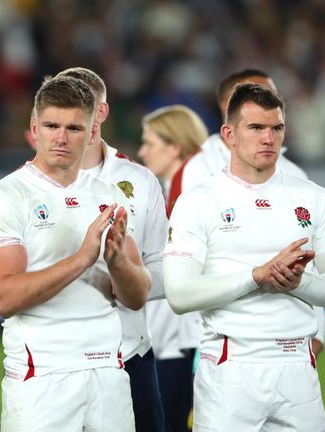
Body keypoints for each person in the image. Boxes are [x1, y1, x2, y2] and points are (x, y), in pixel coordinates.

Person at [164, 83, 325, 431]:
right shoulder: (199, 201)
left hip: (298, 365)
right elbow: (178, 294)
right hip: (231, 365)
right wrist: (255, 276)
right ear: (229, 135)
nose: (268, 138)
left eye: (276, 128)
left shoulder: (313, 197)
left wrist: (298, 281)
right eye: (256, 128)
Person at [0, 75, 150, 431]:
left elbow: (137, 296)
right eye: (51, 125)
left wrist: (117, 263)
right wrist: (82, 259)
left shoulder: (107, 194)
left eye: (74, 127)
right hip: (42, 377)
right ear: (34, 127)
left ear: (91, 132)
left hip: (107, 373)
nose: (61, 137)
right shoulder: (8, 196)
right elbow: (3, 298)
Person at [181, 68, 325, 359]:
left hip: (287, 335)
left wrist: (318, 332)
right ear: (230, 108)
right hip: (220, 334)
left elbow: (311, 259)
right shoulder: (200, 170)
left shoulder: (296, 176)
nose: (269, 101)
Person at [53, 67, 167, 432]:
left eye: (83, 106)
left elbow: (163, 271)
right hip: (60, 357)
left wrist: (121, 278)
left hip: (129, 352)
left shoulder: (140, 181)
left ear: (100, 112)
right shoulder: (30, 187)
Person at [137, 104, 208, 432]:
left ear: (175, 146)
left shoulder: (193, 190)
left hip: (183, 336)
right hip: (173, 334)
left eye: (149, 143)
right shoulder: (172, 191)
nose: (142, 152)